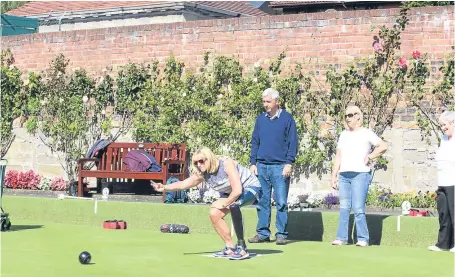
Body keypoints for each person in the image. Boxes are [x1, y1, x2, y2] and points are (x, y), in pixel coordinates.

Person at [151, 147, 262, 260]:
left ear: (209, 159)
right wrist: (164, 187)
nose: (199, 164)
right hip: (232, 193)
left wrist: (225, 203)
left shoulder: (227, 164)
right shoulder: (202, 173)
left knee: (234, 205)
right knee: (214, 213)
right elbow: (184, 184)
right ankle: (230, 247)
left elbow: (237, 190)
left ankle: (242, 248)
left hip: (251, 188)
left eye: (201, 161)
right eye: (196, 162)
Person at [331, 105, 388, 247]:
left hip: (360, 174)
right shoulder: (343, 134)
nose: (348, 118)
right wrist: (334, 175)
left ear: (358, 116)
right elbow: (338, 156)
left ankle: (363, 238)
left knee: (358, 208)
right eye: (346, 116)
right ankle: (341, 238)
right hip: (344, 175)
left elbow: (383, 146)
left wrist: (370, 156)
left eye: (350, 115)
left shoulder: (366, 133)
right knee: (344, 207)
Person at [248, 88, 298, 245]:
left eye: (268, 102)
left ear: (277, 102)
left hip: (280, 167)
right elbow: (255, 140)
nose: (265, 105)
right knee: (262, 201)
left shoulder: (287, 119)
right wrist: (253, 162)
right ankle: (263, 233)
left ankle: (281, 234)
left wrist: (289, 163)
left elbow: (293, 142)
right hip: (261, 166)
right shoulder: (260, 119)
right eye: (263, 101)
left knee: (281, 202)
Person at [428, 111, 455, 252]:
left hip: (453, 183)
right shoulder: (444, 139)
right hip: (442, 183)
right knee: (444, 214)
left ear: (453, 123)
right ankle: (443, 244)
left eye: (445, 125)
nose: (443, 127)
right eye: (441, 125)